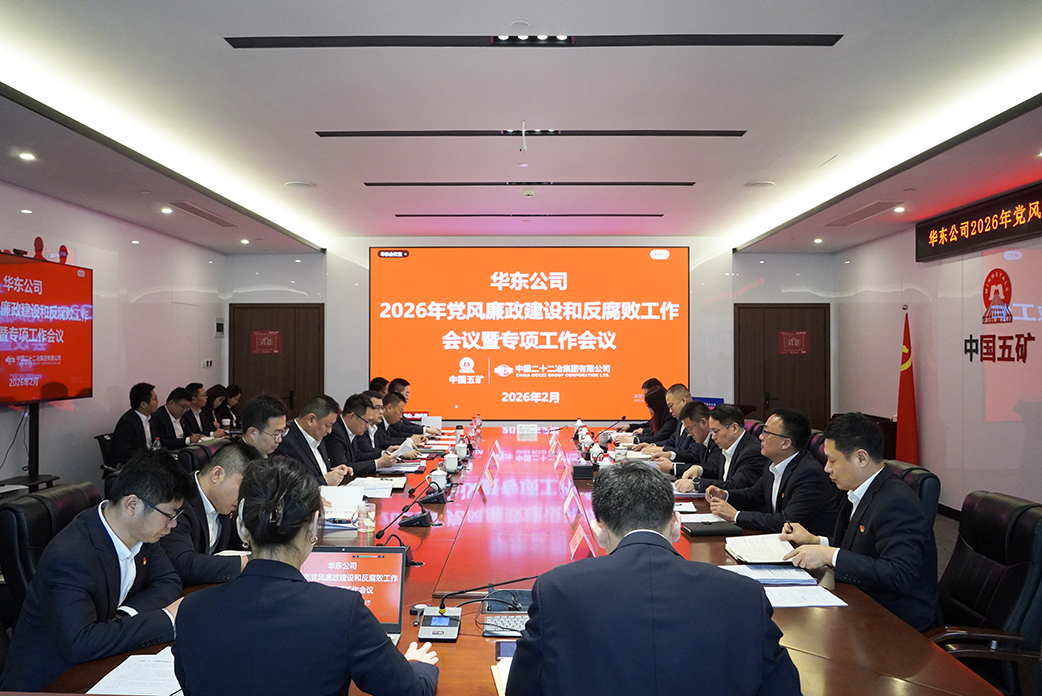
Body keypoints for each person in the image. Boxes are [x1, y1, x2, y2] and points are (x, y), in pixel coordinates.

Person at [506, 462, 800, 696]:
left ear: (599, 531)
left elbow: (522, 688)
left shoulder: (557, 589)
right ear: (676, 524)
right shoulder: (744, 594)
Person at [172, 456, 439, 696]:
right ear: (313, 525)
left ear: (242, 526)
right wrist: (417, 666)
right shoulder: (343, 611)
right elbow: (411, 690)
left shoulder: (191, 610)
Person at [0, 450, 189, 691]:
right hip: (51, 681)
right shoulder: (69, 557)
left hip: (102, 661)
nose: (173, 524)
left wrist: (124, 616)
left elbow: (168, 580)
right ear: (132, 504)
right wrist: (166, 619)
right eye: (169, 515)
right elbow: (80, 643)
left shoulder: (141, 532)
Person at [781, 412, 940, 632]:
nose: (827, 468)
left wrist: (830, 555)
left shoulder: (897, 503)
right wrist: (816, 541)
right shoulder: (858, 489)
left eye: (832, 460)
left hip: (897, 622)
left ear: (861, 458)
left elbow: (899, 574)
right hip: (863, 601)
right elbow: (861, 547)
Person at [705, 408, 839, 537]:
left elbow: (787, 521)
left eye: (766, 433)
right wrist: (726, 495)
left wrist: (736, 516)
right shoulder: (773, 463)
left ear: (785, 443)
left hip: (808, 547)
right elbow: (754, 495)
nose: (760, 437)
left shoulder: (809, 474)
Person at [160, 441, 259, 584]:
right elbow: (183, 564)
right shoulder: (177, 501)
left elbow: (238, 539)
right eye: (243, 486)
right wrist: (246, 562)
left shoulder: (224, 503)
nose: (246, 496)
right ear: (217, 474)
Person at [674, 404, 767, 493]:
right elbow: (716, 470)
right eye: (711, 431)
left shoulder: (752, 452)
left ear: (734, 428)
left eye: (715, 431)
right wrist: (698, 469)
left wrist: (696, 484)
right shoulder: (728, 445)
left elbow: (735, 486)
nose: (713, 437)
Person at [274, 394, 351, 486]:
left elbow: (318, 472)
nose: (329, 430)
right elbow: (290, 484)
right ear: (311, 420)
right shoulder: (285, 441)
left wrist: (334, 472)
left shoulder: (316, 435)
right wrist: (325, 480)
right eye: (327, 425)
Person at [326, 394, 395, 476]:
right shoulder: (335, 432)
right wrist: (377, 463)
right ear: (352, 417)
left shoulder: (352, 428)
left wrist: (383, 453)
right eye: (367, 421)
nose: (367, 426)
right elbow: (343, 466)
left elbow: (358, 456)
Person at [649, 399, 716, 476]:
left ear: (703, 422)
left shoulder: (717, 440)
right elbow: (693, 457)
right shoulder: (702, 440)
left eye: (690, 428)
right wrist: (670, 455)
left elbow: (712, 469)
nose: (689, 434)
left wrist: (673, 467)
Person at [111, 381, 159, 462]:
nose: (157, 402)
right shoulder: (127, 422)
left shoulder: (153, 418)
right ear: (143, 404)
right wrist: (147, 457)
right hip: (135, 464)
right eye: (154, 399)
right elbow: (123, 451)